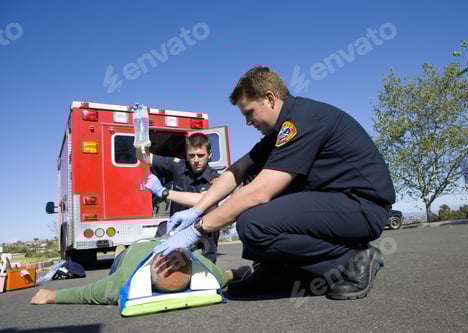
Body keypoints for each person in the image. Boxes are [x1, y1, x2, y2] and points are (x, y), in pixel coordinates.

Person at [151, 66, 395, 300]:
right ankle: (275, 271)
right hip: (338, 203)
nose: (248, 122)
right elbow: (237, 170)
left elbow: (260, 192)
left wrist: (199, 229)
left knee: (253, 222)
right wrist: (198, 209)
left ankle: (352, 260)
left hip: (363, 206)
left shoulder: (300, 121)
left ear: (269, 98)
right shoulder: (280, 131)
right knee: (250, 193)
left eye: (249, 113)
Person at [30, 238, 250, 305]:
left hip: (147, 247)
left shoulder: (199, 265)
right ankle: (119, 252)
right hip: (132, 253)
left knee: (119, 263)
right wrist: (238, 273)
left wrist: (53, 296)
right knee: (119, 259)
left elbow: (86, 292)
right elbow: (228, 275)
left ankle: (119, 252)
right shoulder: (208, 272)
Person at [141, 133, 221, 263]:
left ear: (209, 154)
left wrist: (164, 192)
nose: (196, 160)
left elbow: (207, 199)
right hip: (177, 229)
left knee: (204, 270)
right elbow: (145, 158)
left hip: (203, 231)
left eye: (201, 155)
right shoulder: (178, 166)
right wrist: (141, 137)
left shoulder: (215, 177)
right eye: (191, 155)